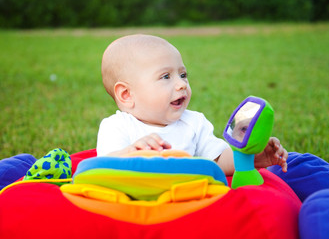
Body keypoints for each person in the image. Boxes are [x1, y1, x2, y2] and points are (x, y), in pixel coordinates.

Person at [97, 34, 288, 176]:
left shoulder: (194, 122)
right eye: (165, 77)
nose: (181, 84)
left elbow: (218, 161)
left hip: (185, 196)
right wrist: (132, 152)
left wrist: (252, 157)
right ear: (126, 94)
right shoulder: (117, 126)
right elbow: (103, 168)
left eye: (183, 75)